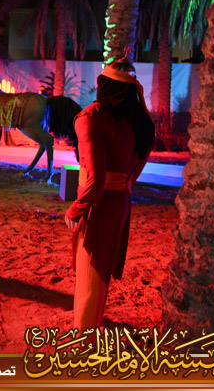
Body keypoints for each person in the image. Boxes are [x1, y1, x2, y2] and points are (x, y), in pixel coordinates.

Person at [63, 54, 155, 331]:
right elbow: (135, 170)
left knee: (90, 274)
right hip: (121, 202)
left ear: (104, 85)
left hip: (98, 204)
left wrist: (75, 209)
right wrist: (121, 186)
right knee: (98, 274)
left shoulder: (92, 117)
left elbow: (96, 179)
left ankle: (84, 339)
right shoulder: (137, 121)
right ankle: (90, 329)